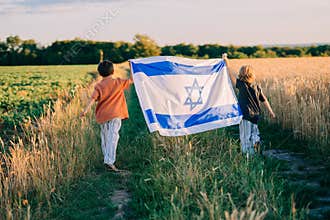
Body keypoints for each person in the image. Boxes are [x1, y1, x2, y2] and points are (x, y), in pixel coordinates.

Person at [80, 60, 133, 171]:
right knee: (113, 137)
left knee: (105, 137)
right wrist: (132, 66)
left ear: (100, 73)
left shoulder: (99, 86)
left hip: (103, 115)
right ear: (113, 71)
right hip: (115, 114)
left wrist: (85, 110)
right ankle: (109, 161)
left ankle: (107, 159)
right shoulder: (118, 82)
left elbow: (92, 99)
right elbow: (132, 80)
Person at [222, 54, 275, 155]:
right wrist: (271, 111)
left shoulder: (242, 85)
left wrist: (226, 62)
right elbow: (264, 100)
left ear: (241, 75)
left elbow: (230, 75)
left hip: (245, 115)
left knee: (245, 137)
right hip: (255, 115)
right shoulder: (257, 86)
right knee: (254, 133)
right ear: (252, 75)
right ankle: (256, 143)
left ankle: (248, 157)